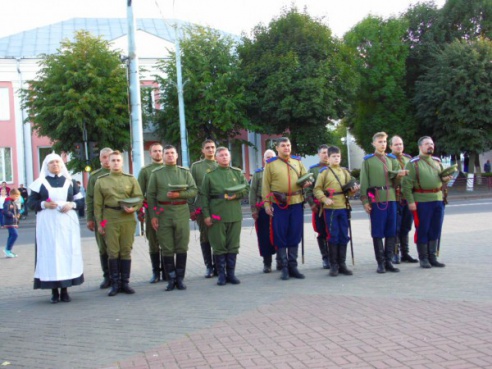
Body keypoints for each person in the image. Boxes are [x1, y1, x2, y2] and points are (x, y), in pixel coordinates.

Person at [28, 153, 84, 303]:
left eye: (57, 162)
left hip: (67, 224)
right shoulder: (39, 183)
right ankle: (54, 292)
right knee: (51, 254)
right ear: (46, 166)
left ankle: (65, 290)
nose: (55, 164)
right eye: (51, 162)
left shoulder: (71, 183)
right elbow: (31, 203)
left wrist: (72, 204)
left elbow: (81, 202)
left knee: (66, 253)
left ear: (61, 164)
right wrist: (43, 204)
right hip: (48, 224)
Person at [147, 145, 197, 291]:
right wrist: (153, 216)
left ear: (176, 156)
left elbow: (193, 190)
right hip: (164, 213)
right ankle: (171, 278)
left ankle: (180, 279)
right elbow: (150, 196)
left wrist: (179, 195)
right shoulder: (156, 173)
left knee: (182, 245)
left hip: (181, 211)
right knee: (166, 246)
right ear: (163, 156)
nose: (169, 155)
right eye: (166, 153)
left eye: (172, 153)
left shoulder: (184, 172)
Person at [94, 151, 143, 296]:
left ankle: (125, 283)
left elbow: (139, 198)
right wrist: (100, 224)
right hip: (110, 217)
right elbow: (98, 206)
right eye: (113, 160)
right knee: (113, 251)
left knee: (126, 250)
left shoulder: (131, 179)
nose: (115, 163)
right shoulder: (101, 181)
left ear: (122, 162)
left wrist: (134, 208)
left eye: (118, 160)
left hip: (127, 218)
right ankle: (115, 284)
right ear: (108, 162)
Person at [262, 137, 311, 281]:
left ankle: (293, 266)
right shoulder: (271, 164)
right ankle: (283, 267)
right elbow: (266, 186)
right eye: (283, 146)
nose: (286, 148)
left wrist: (307, 183)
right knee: (280, 234)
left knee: (295, 233)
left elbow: (304, 178)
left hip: (296, 201)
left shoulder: (297, 162)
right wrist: (266, 204)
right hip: (279, 203)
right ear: (277, 148)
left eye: (288, 145)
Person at [360, 132, 407, 274]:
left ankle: (389, 261)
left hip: (391, 197)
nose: (383, 144)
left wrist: (399, 176)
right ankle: (380, 262)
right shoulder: (368, 161)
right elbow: (364, 182)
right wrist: (365, 201)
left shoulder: (391, 159)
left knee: (391, 230)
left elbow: (396, 182)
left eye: (385, 142)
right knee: (378, 231)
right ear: (374, 143)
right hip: (376, 198)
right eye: (380, 142)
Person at [201, 147, 249, 286]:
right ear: (216, 158)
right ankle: (221, 274)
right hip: (217, 213)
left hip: (234, 213)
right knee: (219, 245)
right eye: (221, 155)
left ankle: (231, 274)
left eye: (226, 155)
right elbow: (204, 196)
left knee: (233, 245)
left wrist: (237, 195)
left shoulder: (237, 173)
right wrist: (206, 215)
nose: (224, 157)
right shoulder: (210, 175)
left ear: (230, 156)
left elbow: (246, 188)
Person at [402, 136, 452, 269]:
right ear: (420, 147)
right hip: (422, 201)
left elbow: (440, 179)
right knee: (423, 228)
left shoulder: (437, 162)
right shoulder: (413, 163)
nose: (430, 146)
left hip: (438, 199)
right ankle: (423, 258)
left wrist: (446, 179)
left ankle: (432, 257)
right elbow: (406, 185)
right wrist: (410, 202)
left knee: (435, 228)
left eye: (431, 144)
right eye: (427, 144)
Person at [314, 146, 359, 276]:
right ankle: (333, 265)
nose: (336, 158)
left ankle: (342, 264)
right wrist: (324, 199)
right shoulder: (324, 173)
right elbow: (317, 189)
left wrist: (353, 191)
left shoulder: (345, 172)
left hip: (343, 207)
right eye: (333, 156)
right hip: (331, 208)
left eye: (338, 156)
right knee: (333, 235)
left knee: (344, 235)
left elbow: (348, 192)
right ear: (328, 158)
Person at [189, 139, 219, 278]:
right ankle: (209, 266)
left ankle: (219, 265)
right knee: (205, 236)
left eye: (213, 147)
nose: (210, 150)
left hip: (218, 205)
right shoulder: (196, 167)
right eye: (207, 147)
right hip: (202, 205)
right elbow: (191, 187)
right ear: (203, 150)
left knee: (219, 235)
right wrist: (191, 207)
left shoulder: (220, 163)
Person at [138, 143, 166, 284]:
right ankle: (156, 272)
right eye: (155, 151)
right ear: (150, 153)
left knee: (167, 242)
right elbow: (139, 193)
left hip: (167, 211)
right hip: (152, 211)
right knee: (153, 242)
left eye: (160, 151)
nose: (158, 153)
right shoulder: (145, 171)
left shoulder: (168, 169)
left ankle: (167, 270)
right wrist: (140, 211)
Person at [86, 147, 113, 289]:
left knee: (117, 247)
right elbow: (89, 198)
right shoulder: (95, 176)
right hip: (101, 216)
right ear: (100, 159)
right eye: (104, 157)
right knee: (103, 247)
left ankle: (118, 276)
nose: (107, 160)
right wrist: (90, 218)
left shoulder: (120, 174)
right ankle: (107, 276)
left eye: (110, 157)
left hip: (116, 215)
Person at [389, 136, 418, 264]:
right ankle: (394, 253)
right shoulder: (388, 159)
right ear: (391, 146)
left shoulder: (408, 159)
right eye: (396, 144)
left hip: (407, 197)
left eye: (400, 144)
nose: (399, 146)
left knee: (406, 226)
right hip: (395, 197)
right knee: (396, 227)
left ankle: (405, 253)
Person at [249, 149, 277, 273]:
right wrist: (254, 210)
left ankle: (281, 261)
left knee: (279, 235)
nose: (269, 159)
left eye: (272, 157)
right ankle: (267, 263)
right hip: (263, 208)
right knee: (264, 236)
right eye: (267, 157)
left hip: (278, 207)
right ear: (263, 159)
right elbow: (252, 192)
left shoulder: (279, 172)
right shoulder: (258, 174)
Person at [305, 144, 331, 269]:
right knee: (322, 232)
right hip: (319, 207)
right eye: (323, 153)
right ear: (319, 155)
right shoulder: (313, 170)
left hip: (334, 206)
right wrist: (312, 204)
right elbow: (308, 189)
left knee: (333, 232)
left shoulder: (335, 168)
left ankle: (334, 257)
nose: (326, 155)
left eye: (327, 152)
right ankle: (325, 257)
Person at [3, 188, 21, 258]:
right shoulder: (7, 202)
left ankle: (8, 250)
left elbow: (16, 210)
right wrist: (12, 215)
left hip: (13, 222)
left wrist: (18, 213)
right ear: (12, 195)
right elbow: (5, 211)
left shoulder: (12, 202)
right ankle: (7, 249)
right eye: (16, 196)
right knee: (15, 235)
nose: (17, 198)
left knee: (11, 235)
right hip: (9, 222)